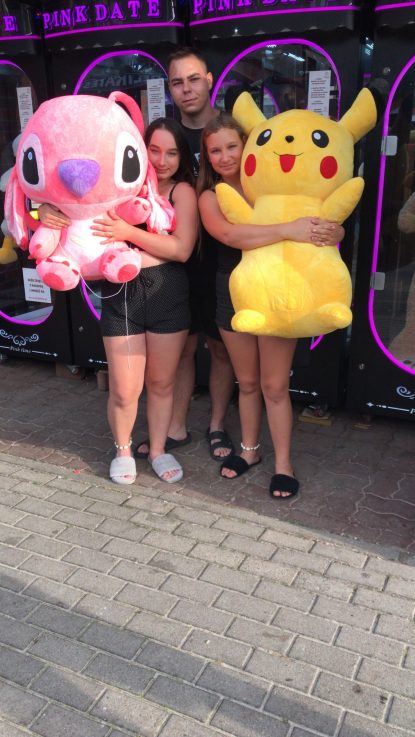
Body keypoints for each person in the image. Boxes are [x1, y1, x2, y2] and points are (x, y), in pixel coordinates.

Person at [40, 119, 198, 486]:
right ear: (139, 150)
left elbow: (181, 249)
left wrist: (127, 233)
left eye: (172, 153)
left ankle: (158, 450)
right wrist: (43, 210)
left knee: (161, 384)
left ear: (181, 157)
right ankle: (123, 450)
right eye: (154, 150)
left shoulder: (182, 192)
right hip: (120, 295)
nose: (161, 161)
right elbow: (68, 200)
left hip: (167, 294)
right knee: (125, 390)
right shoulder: (119, 185)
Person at [197, 113, 345, 499]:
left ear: (248, 145)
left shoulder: (278, 183)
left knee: (274, 385)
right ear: (207, 157)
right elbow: (230, 234)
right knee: (247, 382)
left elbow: (321, 224)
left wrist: (336, 230)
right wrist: (286, 229)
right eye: (216, 150)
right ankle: (250, 451)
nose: (226, 157)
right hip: (234, 295)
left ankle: (283, 464)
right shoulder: (210, 195)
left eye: (232, 146)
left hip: (279, 293)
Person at [136, 47, 236, 463]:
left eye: (193, 79)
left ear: (209, 80)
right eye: (177, 82)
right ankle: (176, 427)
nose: (186, 89)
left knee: (220, 348)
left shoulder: (229, 131)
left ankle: (216, 425)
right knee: (182, 348)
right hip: (177, 263)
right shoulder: (165, 139)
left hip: (223, 258)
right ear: (169, 88)